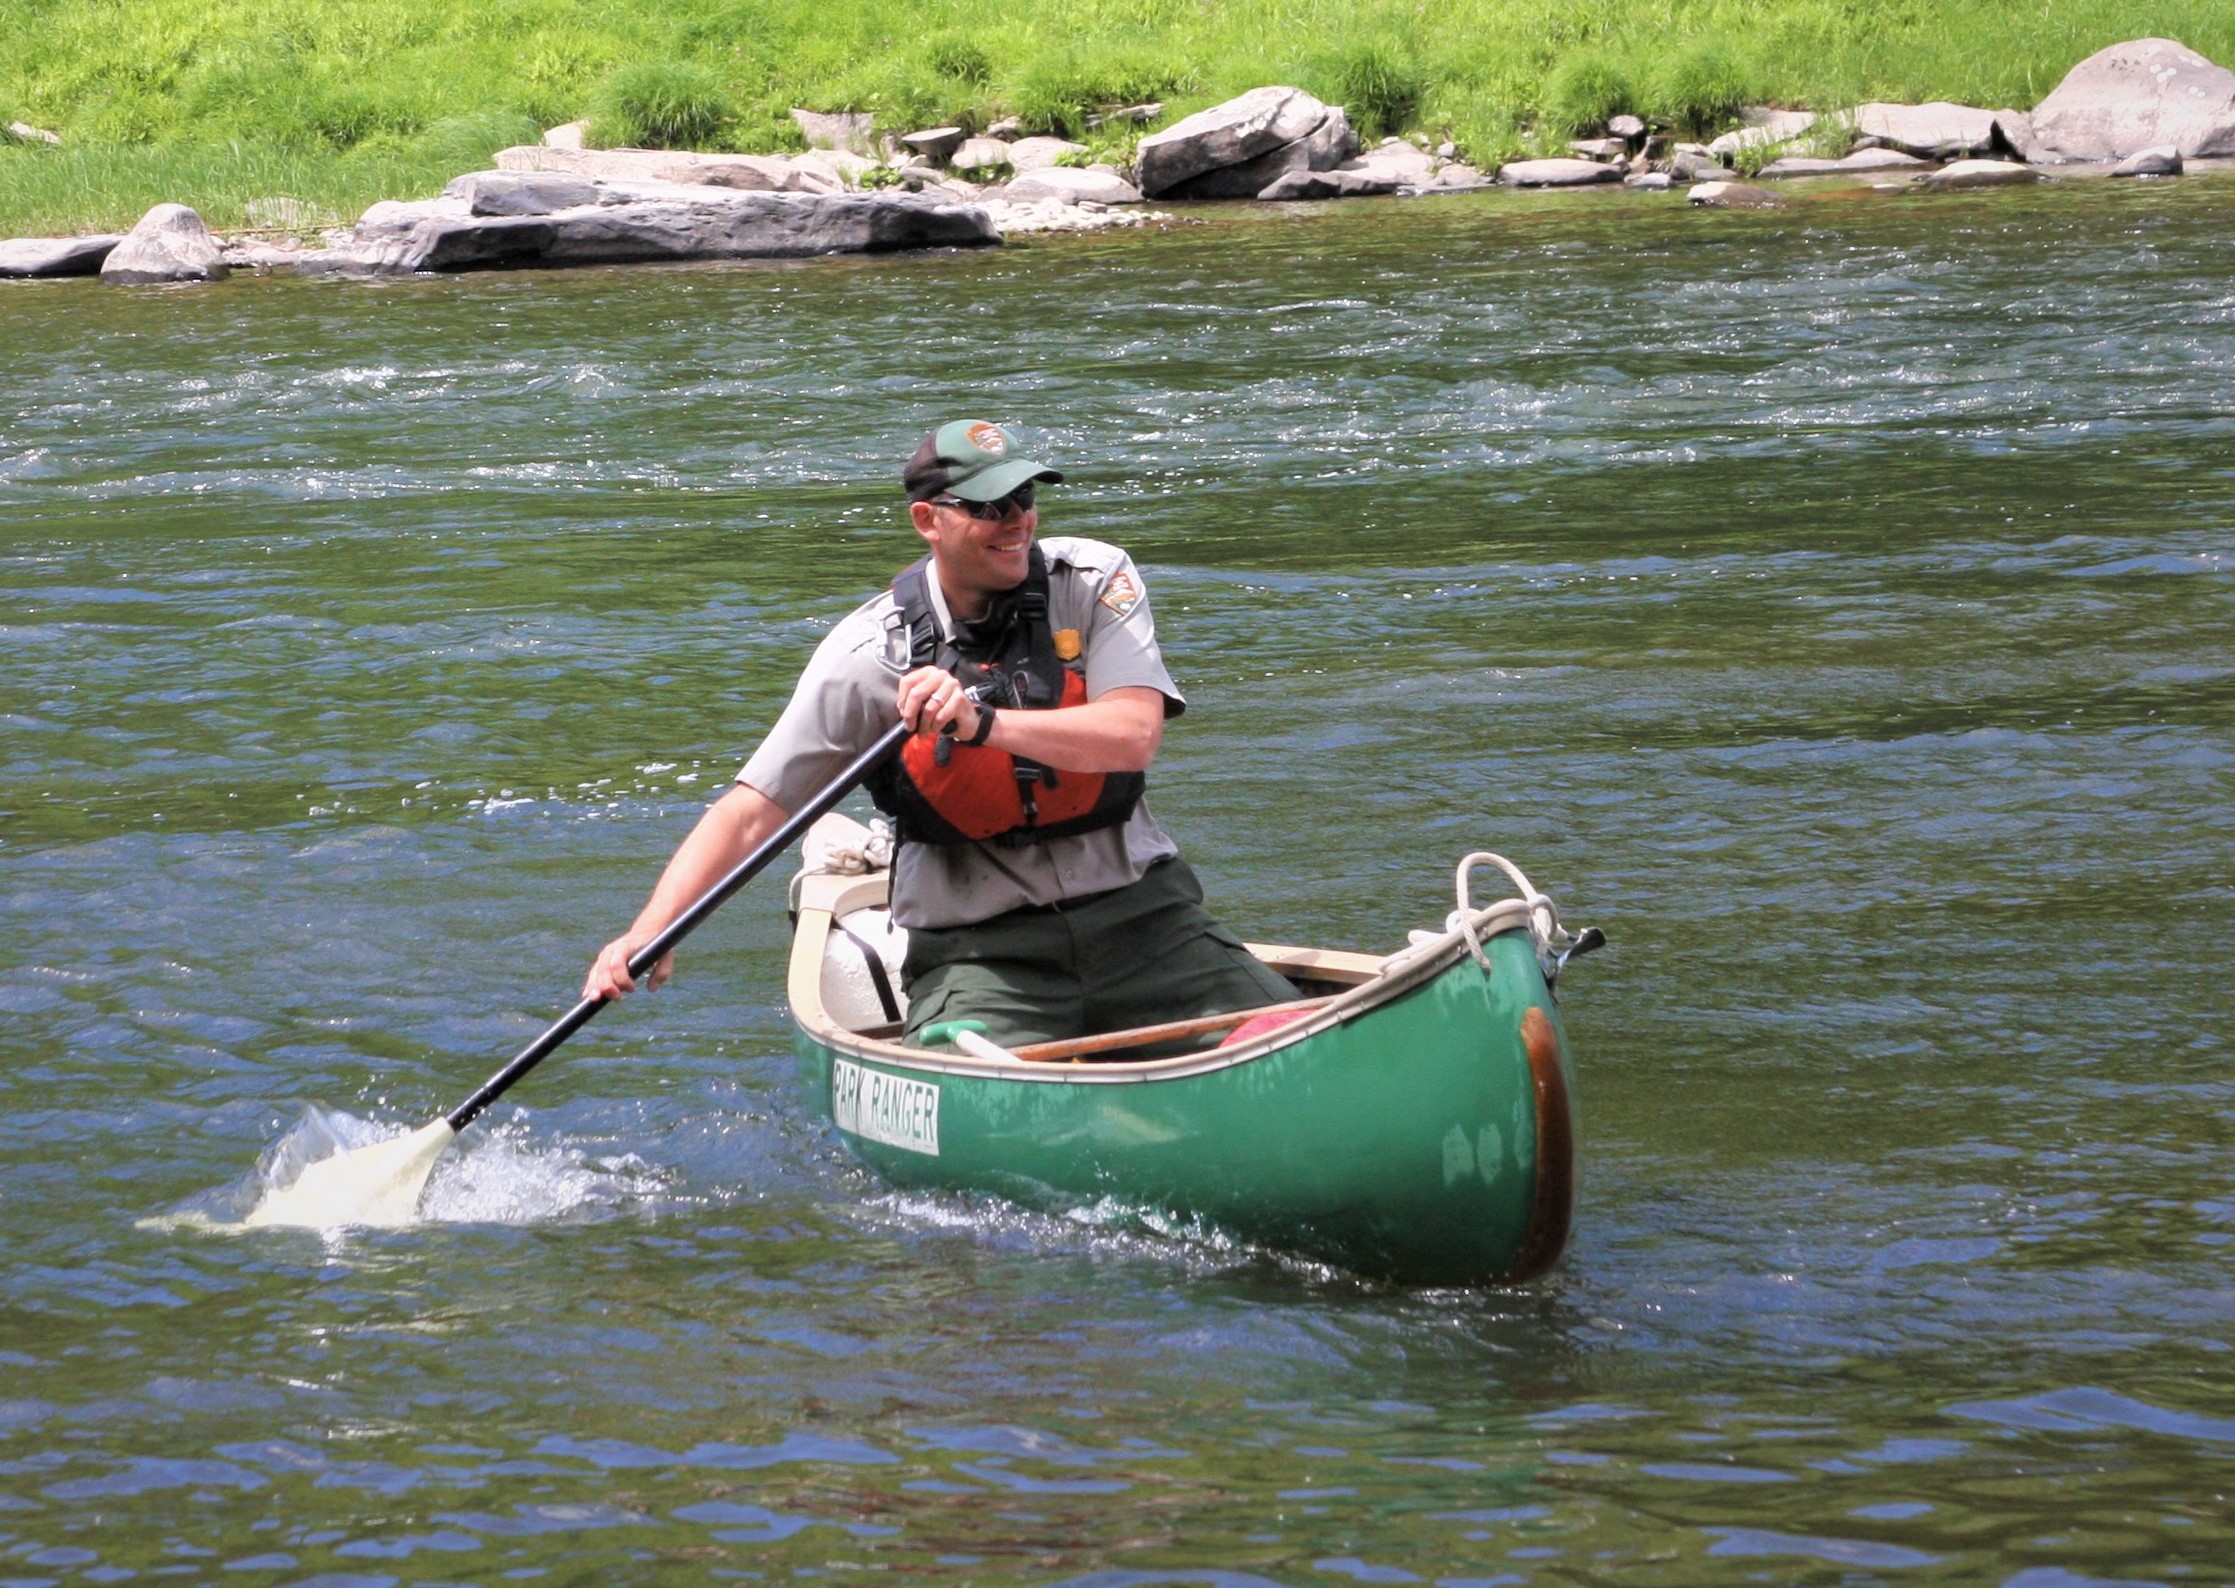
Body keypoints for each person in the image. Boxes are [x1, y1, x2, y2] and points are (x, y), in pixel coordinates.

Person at [584, 419, 1292, 1049]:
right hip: (980, 957)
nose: (1016, 521)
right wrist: (652, 929)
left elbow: (1132, 735)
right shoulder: (868, 656)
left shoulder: (1095, 579)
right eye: (989, 507)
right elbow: (750, 812)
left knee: (1291, 1040)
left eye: (1025, 500)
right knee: (972, 1065)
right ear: (928, 520)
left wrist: (980, 722)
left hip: (1149, 925)